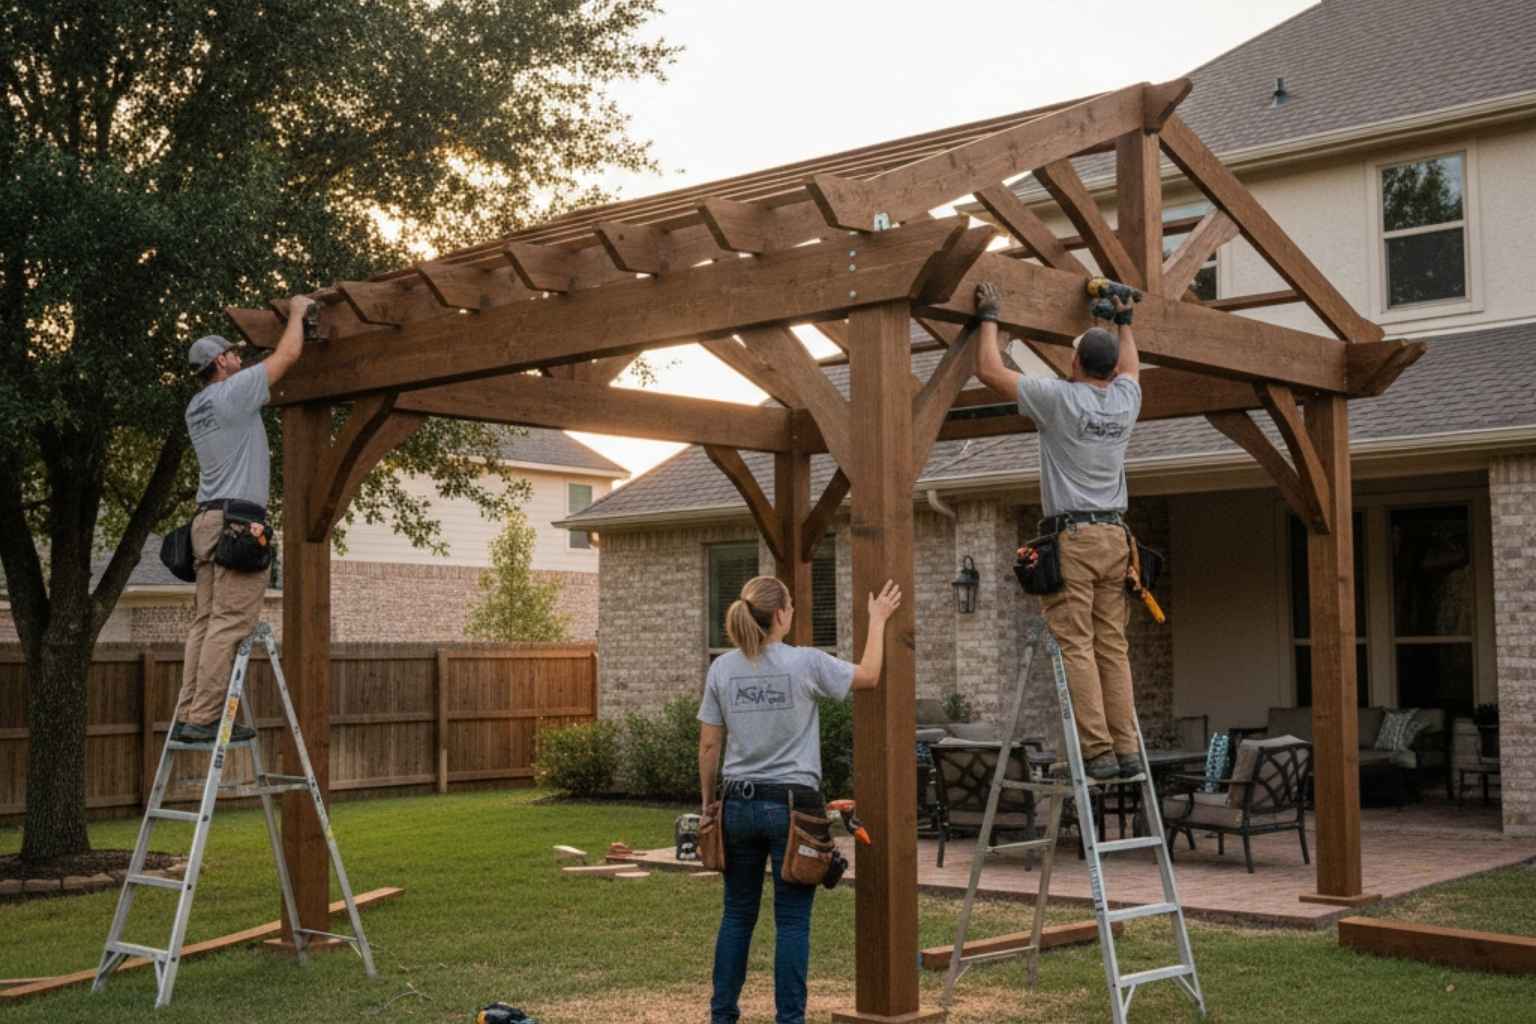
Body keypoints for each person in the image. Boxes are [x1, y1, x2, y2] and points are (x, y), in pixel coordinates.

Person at [698, 575, 902, 1024]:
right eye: (790, 606)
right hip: (794, 808)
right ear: (781, 616)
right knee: (792, 922)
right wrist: (878, 619)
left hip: (737, 804)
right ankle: (790, 1020)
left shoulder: (722, 669)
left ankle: (722, 1017)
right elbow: (869, 676)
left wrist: (709, 804)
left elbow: (709, 747)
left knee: (736, 916)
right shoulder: (805, 663)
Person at [972, 280, 1144, 781]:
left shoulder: (1059, 400)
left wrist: (988, 315)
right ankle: (1128, 748)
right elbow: (1131, 365)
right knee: (1111, 645)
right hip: (1116, 538)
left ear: (1074, 365)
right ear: (1110, 370)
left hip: (1075, 538)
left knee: (1077, 646)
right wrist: (1123, 322)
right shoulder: (1125, 400)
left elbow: (988, 371)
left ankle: (1098, 753)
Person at [171, 297, 312, 743]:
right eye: (231, 352)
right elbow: (287, 355)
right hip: (236, 522)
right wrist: (297, 314)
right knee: (231, 623)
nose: (238, 356)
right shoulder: (232, 392)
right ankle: (206, 718)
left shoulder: (197, 406)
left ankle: (191, 711)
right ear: (219, 363)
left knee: (206, 621)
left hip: (207, 522)